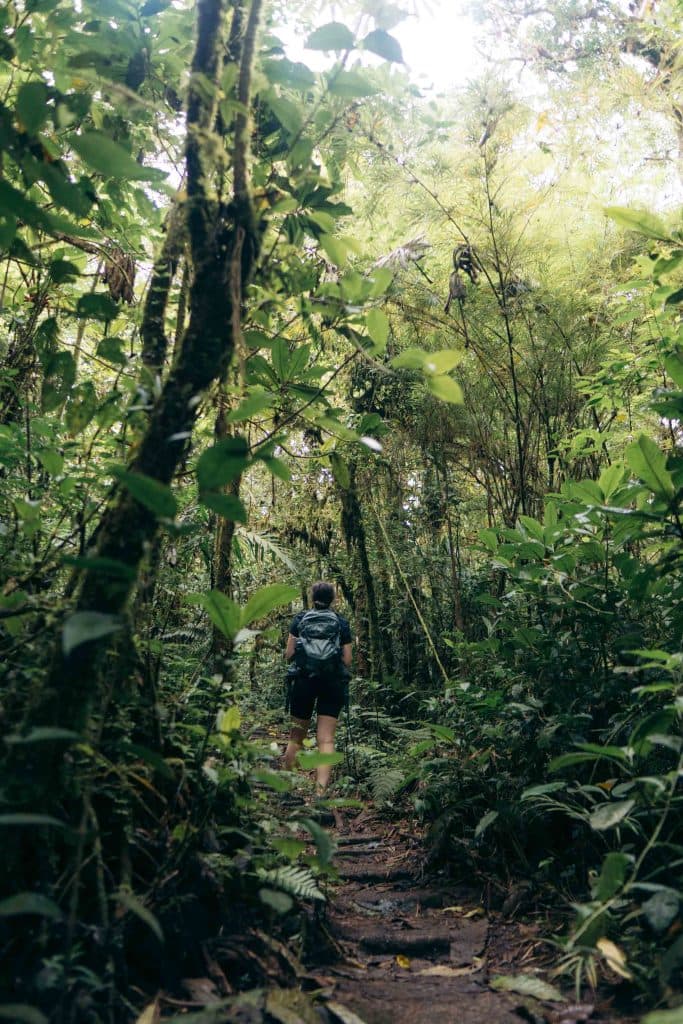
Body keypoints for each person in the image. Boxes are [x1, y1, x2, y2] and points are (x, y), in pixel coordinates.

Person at [283, 581, 352, 794]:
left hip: (304, 681)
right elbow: (347, 660)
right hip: (332, 684)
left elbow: (289, 654)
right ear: (333, 599)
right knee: (326, 740)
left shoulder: (300, 619)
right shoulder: (341, 623)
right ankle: (321, 794)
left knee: (296, 737)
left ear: (313, 598)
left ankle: (287, 791)